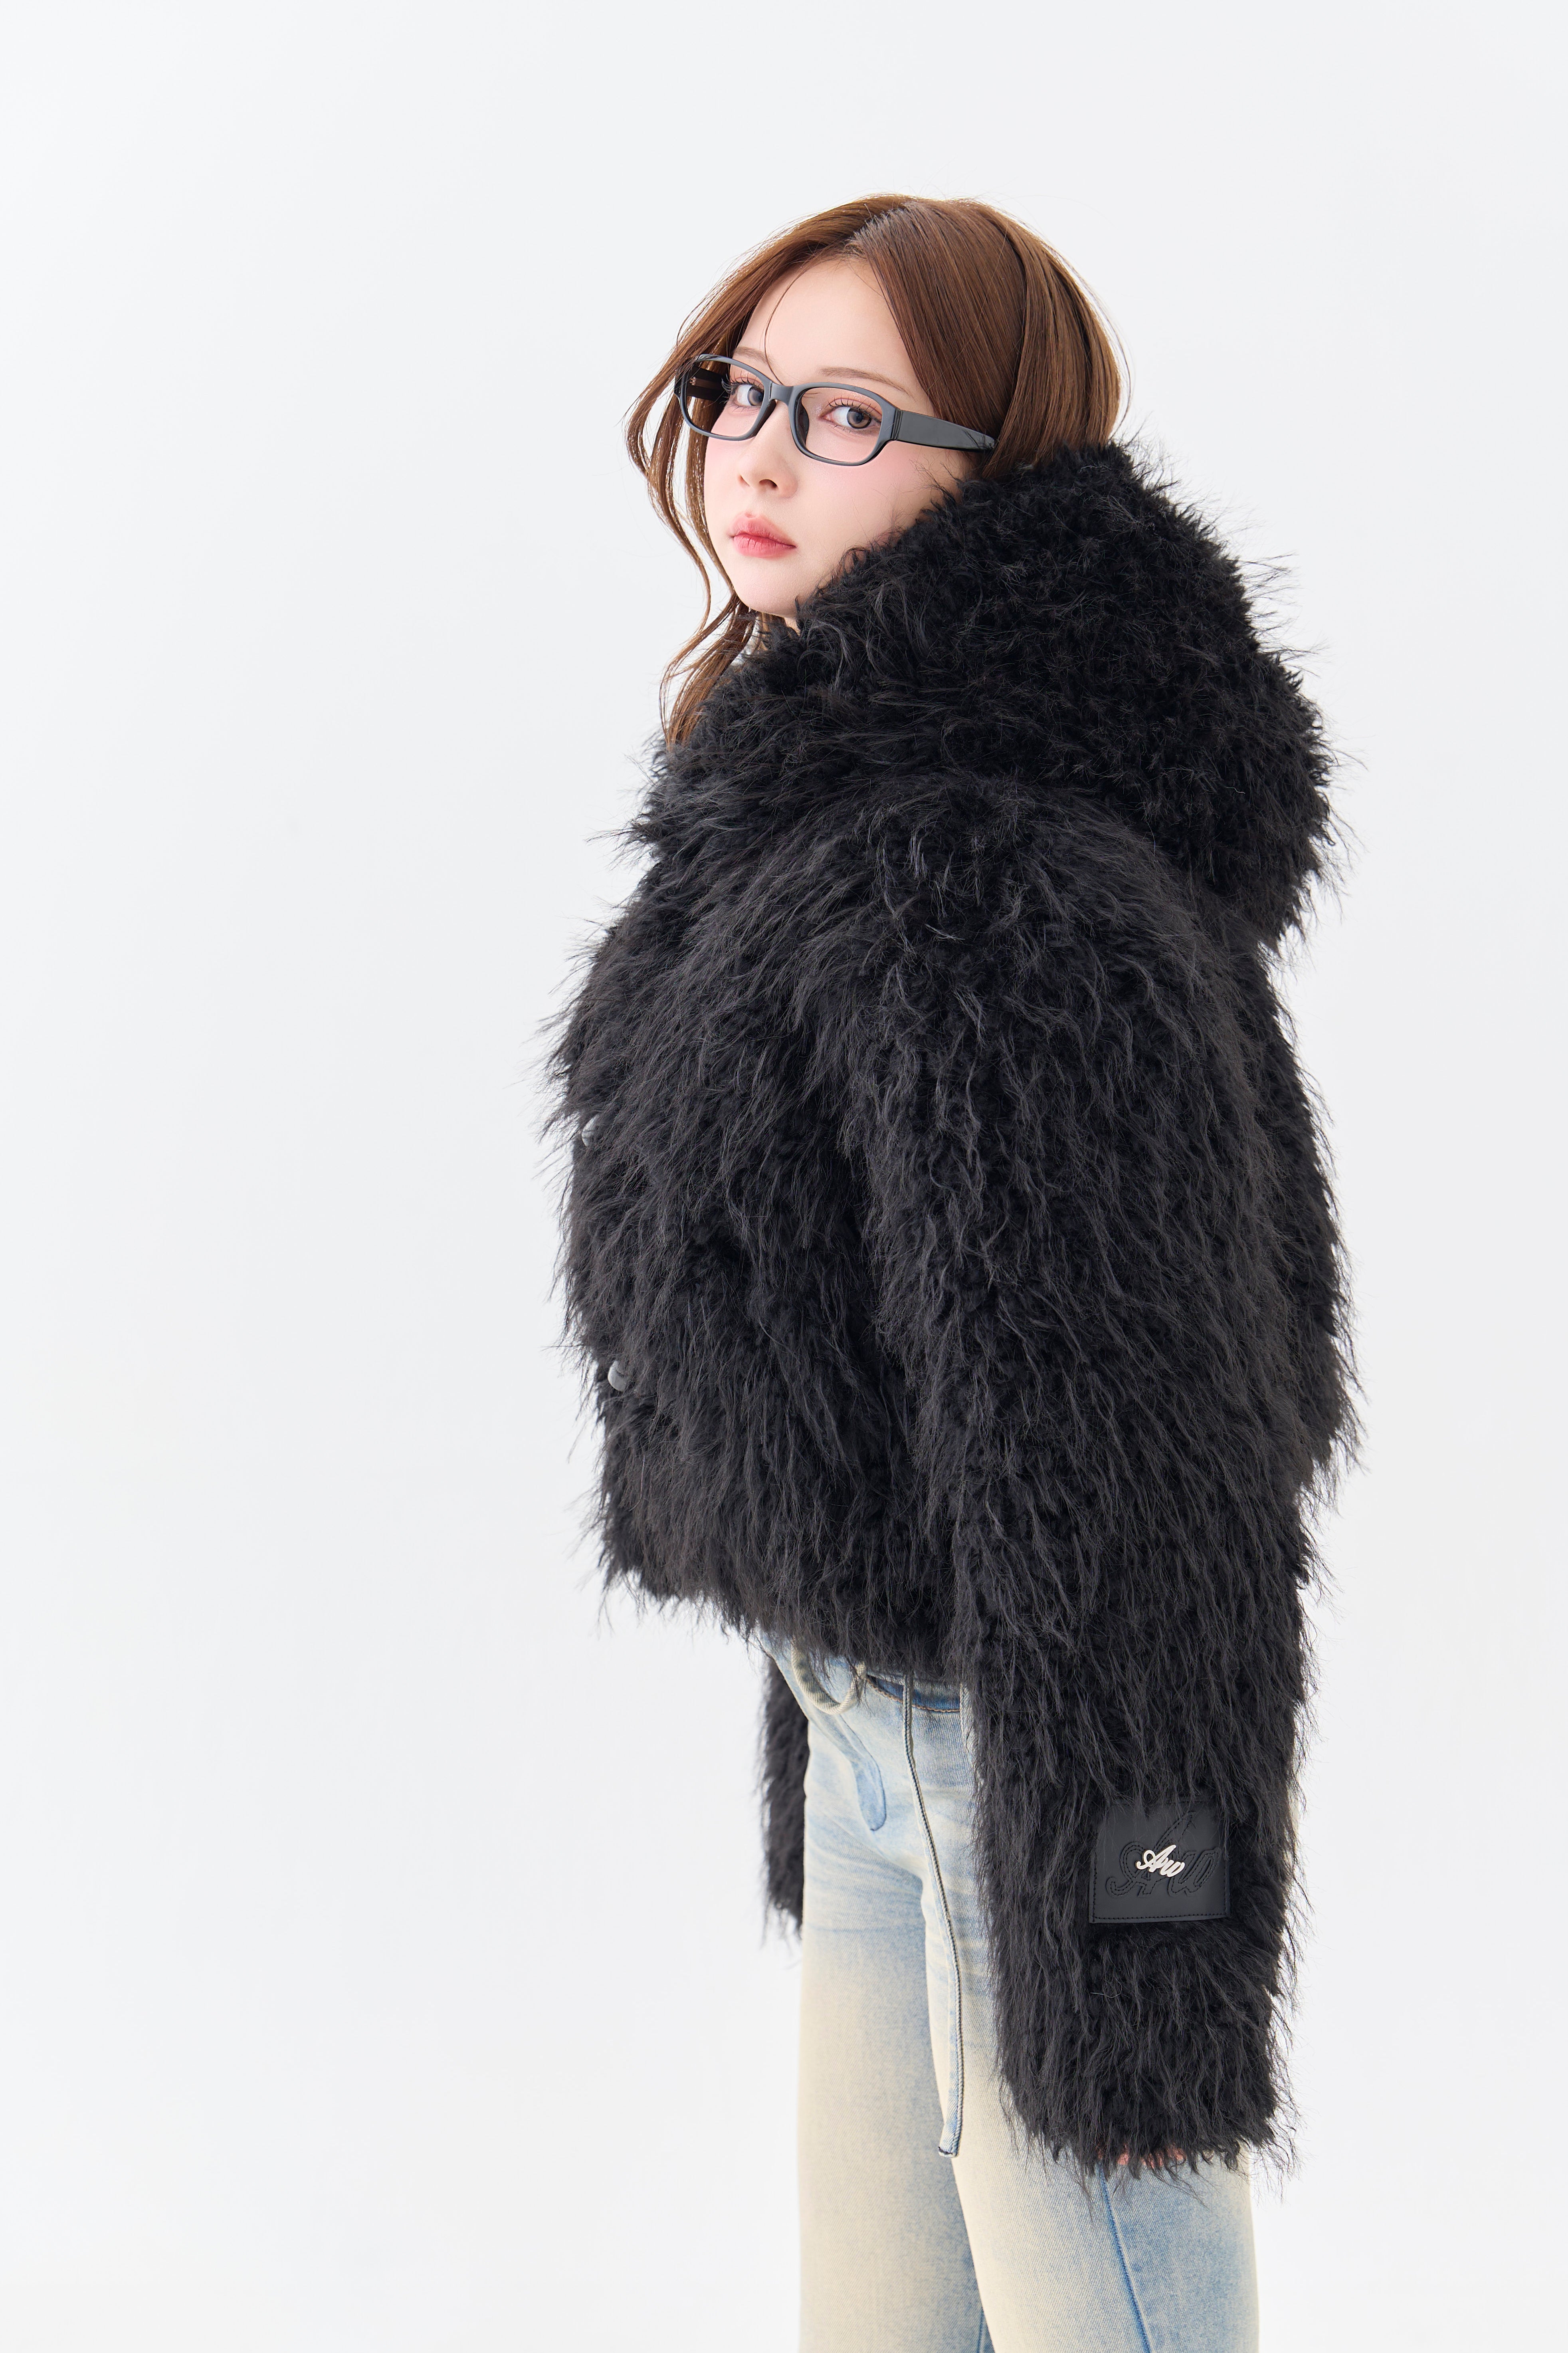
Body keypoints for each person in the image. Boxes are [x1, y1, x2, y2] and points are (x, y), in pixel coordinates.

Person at [544, 194, 1354, 2352]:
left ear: (991, 471)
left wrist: (1141, 1921)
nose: (758, 452)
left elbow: (1146, 1473)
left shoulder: (984, 873)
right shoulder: (814, 809)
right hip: (869, 1727)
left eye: (848, 414)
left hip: (1046, 1758)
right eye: (740, 390)